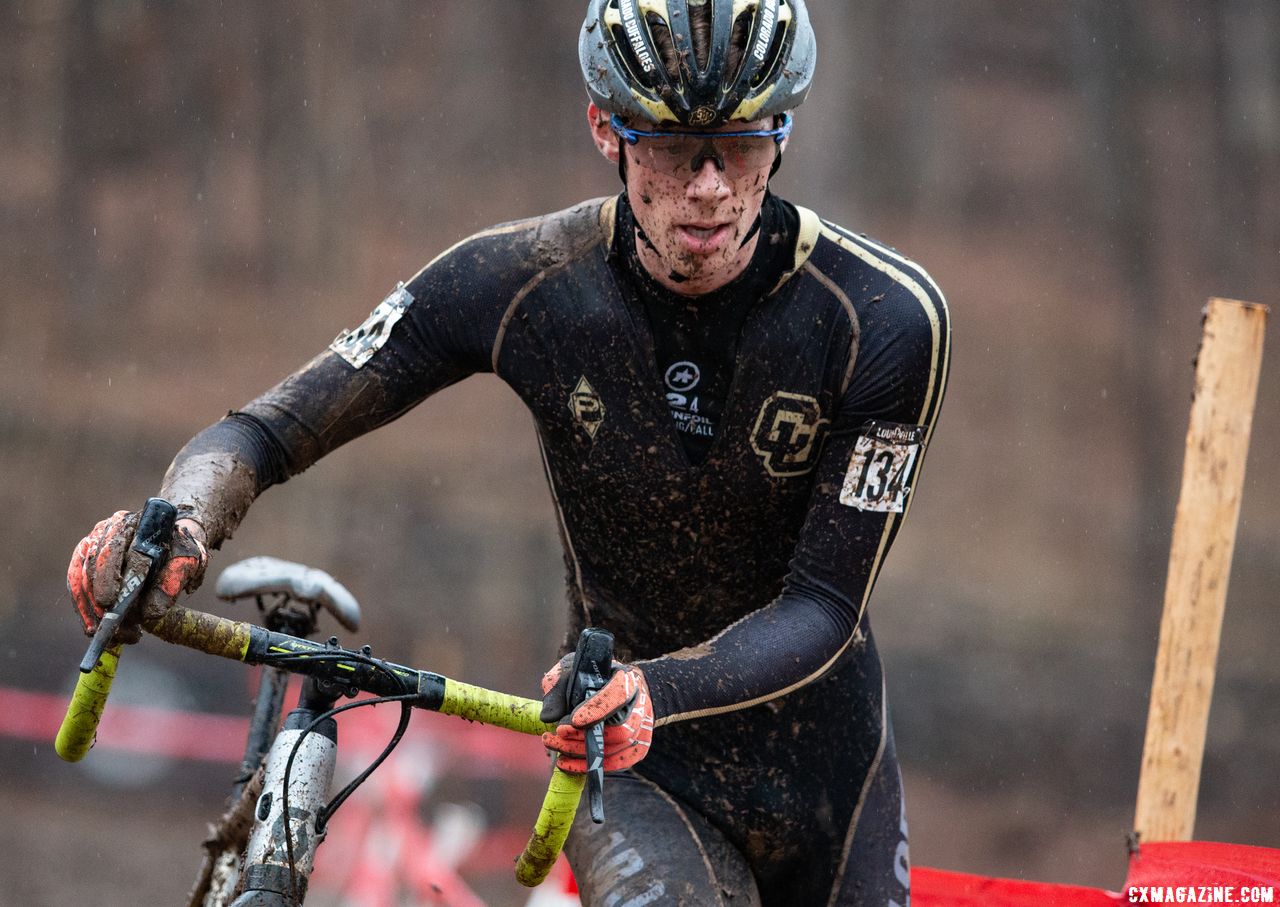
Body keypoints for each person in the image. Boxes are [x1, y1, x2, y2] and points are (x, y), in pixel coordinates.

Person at [67, 2, 950, 904]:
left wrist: (656, 687)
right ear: (605, 128)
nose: (712, 187)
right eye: (673, 148)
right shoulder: (522, 281)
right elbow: (265, 430)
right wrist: (175, 523)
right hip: (634, 773)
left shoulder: (882, 319)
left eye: (743, 143)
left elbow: (825, 602)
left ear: (785, 131)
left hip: (831, 778)